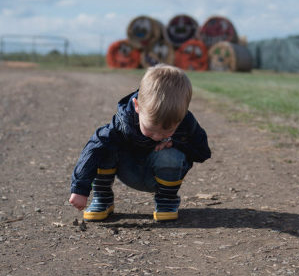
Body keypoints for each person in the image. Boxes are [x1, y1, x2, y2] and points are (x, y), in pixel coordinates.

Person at [69, 64, 211, 221]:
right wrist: (80, 189)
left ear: (183, 114)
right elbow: (92, 150)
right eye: (150, 130)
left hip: (160, 177)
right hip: (128, 169)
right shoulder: (121, 124)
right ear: (137, 106)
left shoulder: (185, 122)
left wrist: (175, 141)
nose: (157, 137)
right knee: (104, 146)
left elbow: (203, 152)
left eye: (167, 131)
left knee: (172, 155)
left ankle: (166, 201)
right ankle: (103, 199)